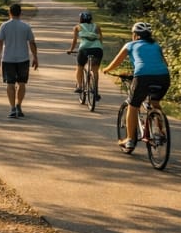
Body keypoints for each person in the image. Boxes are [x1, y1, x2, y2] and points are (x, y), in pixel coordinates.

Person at [103, 22, 171, 152]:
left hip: (143, 77)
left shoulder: (130, 45)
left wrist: (106, 69)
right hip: (163, 77)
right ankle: (161, 132)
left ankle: (129, 139)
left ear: (135, 35)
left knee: (133, 106)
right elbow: (164, 63)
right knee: (155, 102)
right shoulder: (156, 45)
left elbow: (116, 62)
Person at [0, 3, 39, 118]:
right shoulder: (26, 26)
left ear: (10, 12)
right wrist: (35, 57)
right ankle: (19, 105)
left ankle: (13, 108)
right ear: (20, 13)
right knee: (22, 83)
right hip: (23, 58)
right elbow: (32, 43)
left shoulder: (4, 26)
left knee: (10, 83)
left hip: (8, 59)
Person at [66, 11, 103, 99]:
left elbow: (74, 41)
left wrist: (71, 50)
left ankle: (79, 86)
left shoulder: (77, 27)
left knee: (80, 67)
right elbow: (101, 39)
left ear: (81, 19)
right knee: (95, 71)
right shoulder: (97, 26)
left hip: (84, 49)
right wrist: (100, 48)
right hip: (97, 49)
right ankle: (95, 90)